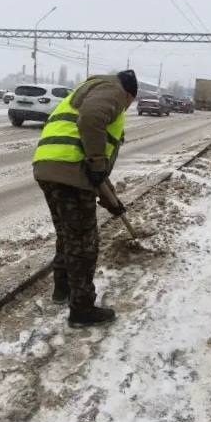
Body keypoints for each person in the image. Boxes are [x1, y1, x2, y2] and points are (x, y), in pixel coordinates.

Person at [33, 70, 138, 327]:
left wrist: (113, 203)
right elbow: (91, 121)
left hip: (49, 166)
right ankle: (82, 309)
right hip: (70, 172)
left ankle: (62, 289)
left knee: (68, 235)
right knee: (83, 243)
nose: (125, 108)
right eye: (130, 102)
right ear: (128, 94)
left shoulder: (86, 90)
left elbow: (96, 173)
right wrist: (98, 162)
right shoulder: (113, 90)